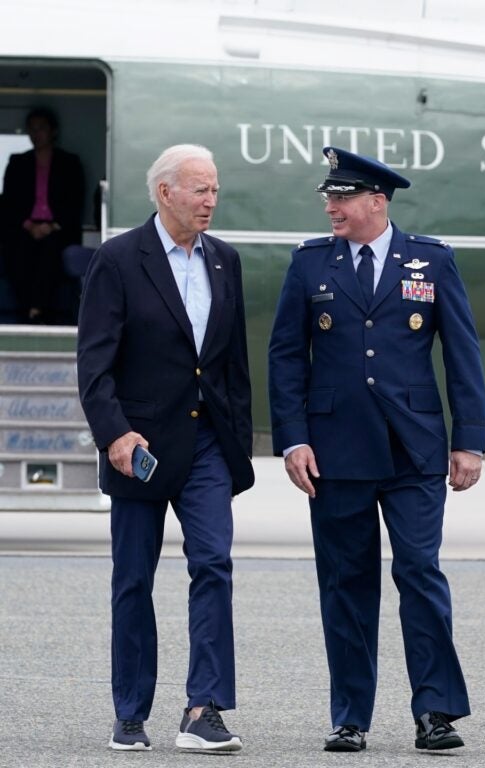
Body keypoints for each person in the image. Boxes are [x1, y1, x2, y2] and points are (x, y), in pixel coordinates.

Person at [267, 147, 485, 752]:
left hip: (414, 448)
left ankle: (435, 711)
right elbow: (286, 356)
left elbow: (462, 352)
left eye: (342, 198)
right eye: (329, 198)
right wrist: (293, 438)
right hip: (336, 450)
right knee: (346, 582)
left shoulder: (431, 260)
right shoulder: (310, 263)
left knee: (419, 572)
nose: (331, 208)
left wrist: (469, 440)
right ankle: (350, 717)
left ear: (377, 202)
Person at [76, 144, 254, 752]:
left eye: (215, 189)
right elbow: (94, 363)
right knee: (134, 579)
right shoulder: (119, 259)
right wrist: (114, 433)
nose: (211, 200)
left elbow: (233, 365)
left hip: (207, 445)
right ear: (165, 193)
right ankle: (130, 713)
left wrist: (237, 447)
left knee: (214, 566)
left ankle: (204, 709)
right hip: (139, 445)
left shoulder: (225, 260)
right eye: (200, 189)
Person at [0, 107, 85, 323]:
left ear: (53, 131)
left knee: (51, 251)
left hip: (57, 227)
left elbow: (75, 201)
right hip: (25, 227)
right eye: (32, 129)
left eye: (41, 128)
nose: (36, 134)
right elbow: (9, 202)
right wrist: (29, 225)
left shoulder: (70, 162)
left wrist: (52, 226)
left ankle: (36, 310)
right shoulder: (18, 162)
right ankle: (30, 310)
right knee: (18, 251)